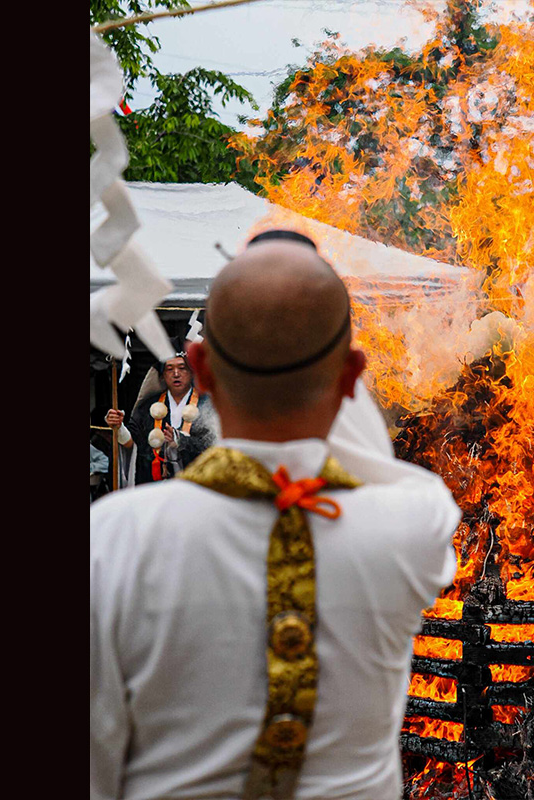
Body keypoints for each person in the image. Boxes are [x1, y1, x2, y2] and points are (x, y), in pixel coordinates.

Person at [90, 234, 461, 800]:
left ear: (200, 369)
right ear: (352, 377)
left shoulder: (113, 540)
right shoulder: (414, 523)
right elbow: (374, 456)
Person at [104, 349, 217, 485]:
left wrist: (180, 441)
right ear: (162, 375)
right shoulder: (147, 407)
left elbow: (214, 445)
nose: (176, 374)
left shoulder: (207, 406)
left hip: (195, 486)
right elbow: (132, 444)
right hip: (154, 485)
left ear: (191, 373)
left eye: (182, 368)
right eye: (169, 369)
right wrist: (119, 427)